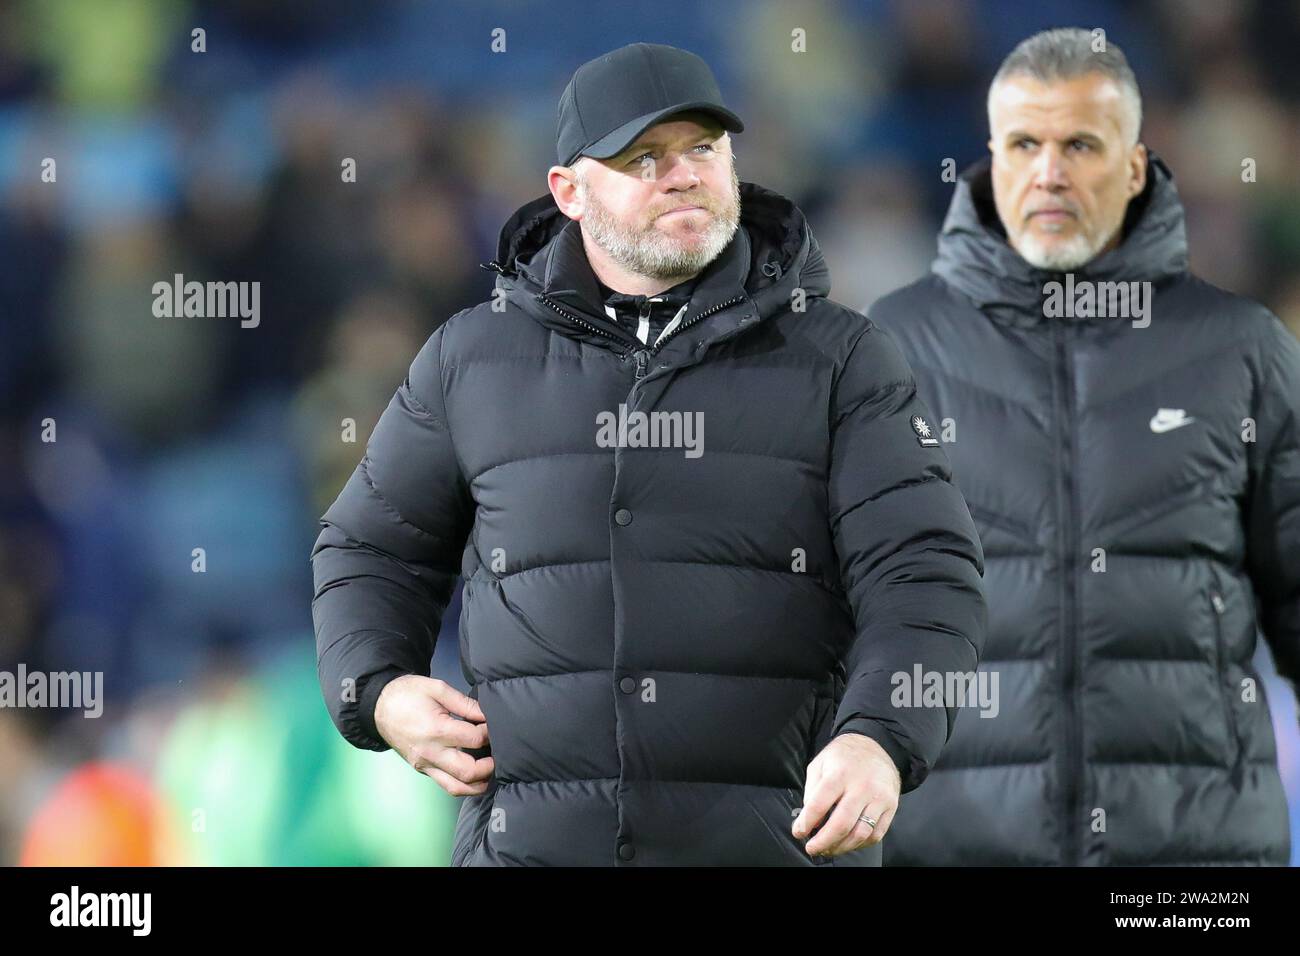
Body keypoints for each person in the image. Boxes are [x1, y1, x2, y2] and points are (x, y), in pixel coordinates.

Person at [311, 41, 986, 866]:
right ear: (569, 191)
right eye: (644, 158)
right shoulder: (469, 359)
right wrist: (381, 691)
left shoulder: (843, 360)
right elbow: (367, 548)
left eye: (704, 148)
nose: (684, 173)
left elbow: (927, 574)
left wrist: (881, 738)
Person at [868, 28, 1300, 865]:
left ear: (1136, 167)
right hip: (951, 847)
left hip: (1190, 867)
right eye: (1025, 144)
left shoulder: (1242, 348)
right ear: (991, 159)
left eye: (1081, 145)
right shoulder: (890, 348)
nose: (1049, 173)